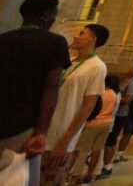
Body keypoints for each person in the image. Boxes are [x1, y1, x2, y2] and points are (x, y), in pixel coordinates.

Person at [0, 0, 70, 186]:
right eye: (54, 14)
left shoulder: (4, 39)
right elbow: (51, 86)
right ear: (46, 16)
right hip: (24, 126)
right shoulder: (55, 42)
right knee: (19, 178)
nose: (55, 19)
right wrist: (41, 131)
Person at [42, 24, 109, 185]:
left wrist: (65, 141)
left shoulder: (97, 67)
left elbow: (88, 106)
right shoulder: (68, 62)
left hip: (61, 135)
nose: (75, 36)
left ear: (93, 39)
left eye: (82, 33)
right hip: (44, 130)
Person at [69, 74, 121, 183]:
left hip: (94, 122)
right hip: (107, 123)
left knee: (81, 150)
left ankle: (75, 175)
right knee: (96, 150)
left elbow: (91, 107)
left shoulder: (99, 93)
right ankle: (89, 176)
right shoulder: (113, 94)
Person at [99, 63, 133, 178]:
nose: (129, 69)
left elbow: (128, 99)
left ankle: (107, 165)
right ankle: (105, 163)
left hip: (119, 114)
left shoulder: (132, 83)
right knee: (109, 139)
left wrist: (114, 97)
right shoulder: (127, 80)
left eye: (131, 68)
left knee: (111, 139)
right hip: (114, 113)